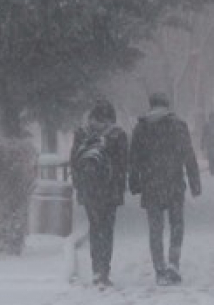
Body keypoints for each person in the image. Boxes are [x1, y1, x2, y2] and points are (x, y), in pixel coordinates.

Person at [129, 92, 201, 286]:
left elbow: (134, 158)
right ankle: (173, 263)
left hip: (151, 184)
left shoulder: (141, 127)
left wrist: (134, 182)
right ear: (167, 106)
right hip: (174, 184)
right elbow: (189, 155)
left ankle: (159, 268)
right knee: (177, 225)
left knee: (155, 228)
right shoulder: (178, 126)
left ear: (150, 105)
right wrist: (195, 183)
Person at [70, 99, 128, 287]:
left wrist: (80, 186)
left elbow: (74, 162)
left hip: (89, 189)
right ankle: (104, 270)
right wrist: (120, 188)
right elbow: (123, 164)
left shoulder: (82, 134)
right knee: (107, 229)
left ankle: (96, 269)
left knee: (95, 228)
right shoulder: (117, 135)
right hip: (109, 190)